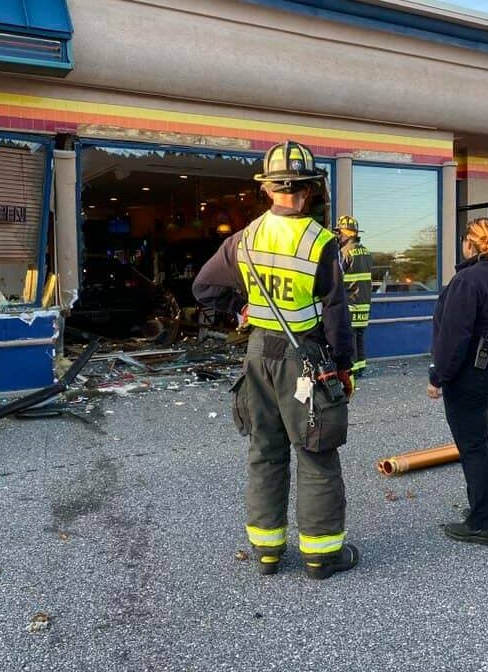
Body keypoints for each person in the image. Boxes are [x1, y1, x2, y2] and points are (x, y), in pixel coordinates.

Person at [192, 140, 359, 579]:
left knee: (265, 450)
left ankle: (267, 552)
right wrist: (344, 368)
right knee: (316, 451)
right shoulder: (321, 242)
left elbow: (203, 287)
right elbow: (336, 314)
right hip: (305, 358)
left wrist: (240, 309)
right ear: (309, 189)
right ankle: (321, 556)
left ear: (267, 189)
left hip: (257, 355)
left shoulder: (245, 238)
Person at [427, 218, 488, 546]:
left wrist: (438, 376)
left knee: (474, 446)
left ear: (469, 243)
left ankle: (482, 523)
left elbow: (454, 335)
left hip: (472, 372)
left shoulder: (467, 280)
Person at [336, 215, 373, 375]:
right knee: (359, 337)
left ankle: (352, 370)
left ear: (347, 233)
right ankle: (360, 367)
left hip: (350, 302)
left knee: (349, 338)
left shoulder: (345, 252)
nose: (338, 236)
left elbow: (338, 277)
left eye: (340, 232)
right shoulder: (366, 252)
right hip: (364, 303)